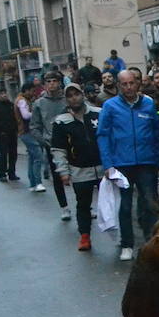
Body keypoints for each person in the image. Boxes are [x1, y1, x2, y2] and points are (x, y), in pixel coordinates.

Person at [96, 68, 159, 260]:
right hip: (121, 163)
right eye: (124, 84)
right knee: (124, 206)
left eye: (131, 83)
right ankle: (127, 244)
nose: (128, 87)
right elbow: (103, 135)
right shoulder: (110, 106)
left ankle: (151, 241)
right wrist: (108, 164)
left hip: (146, 161)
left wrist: (157, 159)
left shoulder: (148, 104)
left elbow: (156, 132)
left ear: (138, 83)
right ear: (118, 85)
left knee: (149, 203)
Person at [50, 84, 104, 251]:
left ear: (83, 95)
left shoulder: (98, 113)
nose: (74, 98)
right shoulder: (61, 122)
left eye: (77, 94)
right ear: (66, 99)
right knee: (83, 204)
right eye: (70, 95)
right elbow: (58, 149)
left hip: (103, 168)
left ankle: (120, 235)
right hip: (79, 170)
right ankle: (85, 236)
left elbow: (108, 138)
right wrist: (63, 172)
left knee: (111, 203)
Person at [31, 71, 72, 220]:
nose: (52, 84)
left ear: (60, 82)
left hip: (72, 142)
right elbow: (34, 126)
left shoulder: (68, 99)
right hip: (52, 145)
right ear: (44, 85)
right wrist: (44, 141)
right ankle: (64, 207)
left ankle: (86, 206)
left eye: (54, 80)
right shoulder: (39, 103)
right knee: (57, 177)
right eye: (48, 81)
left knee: (78, 175)